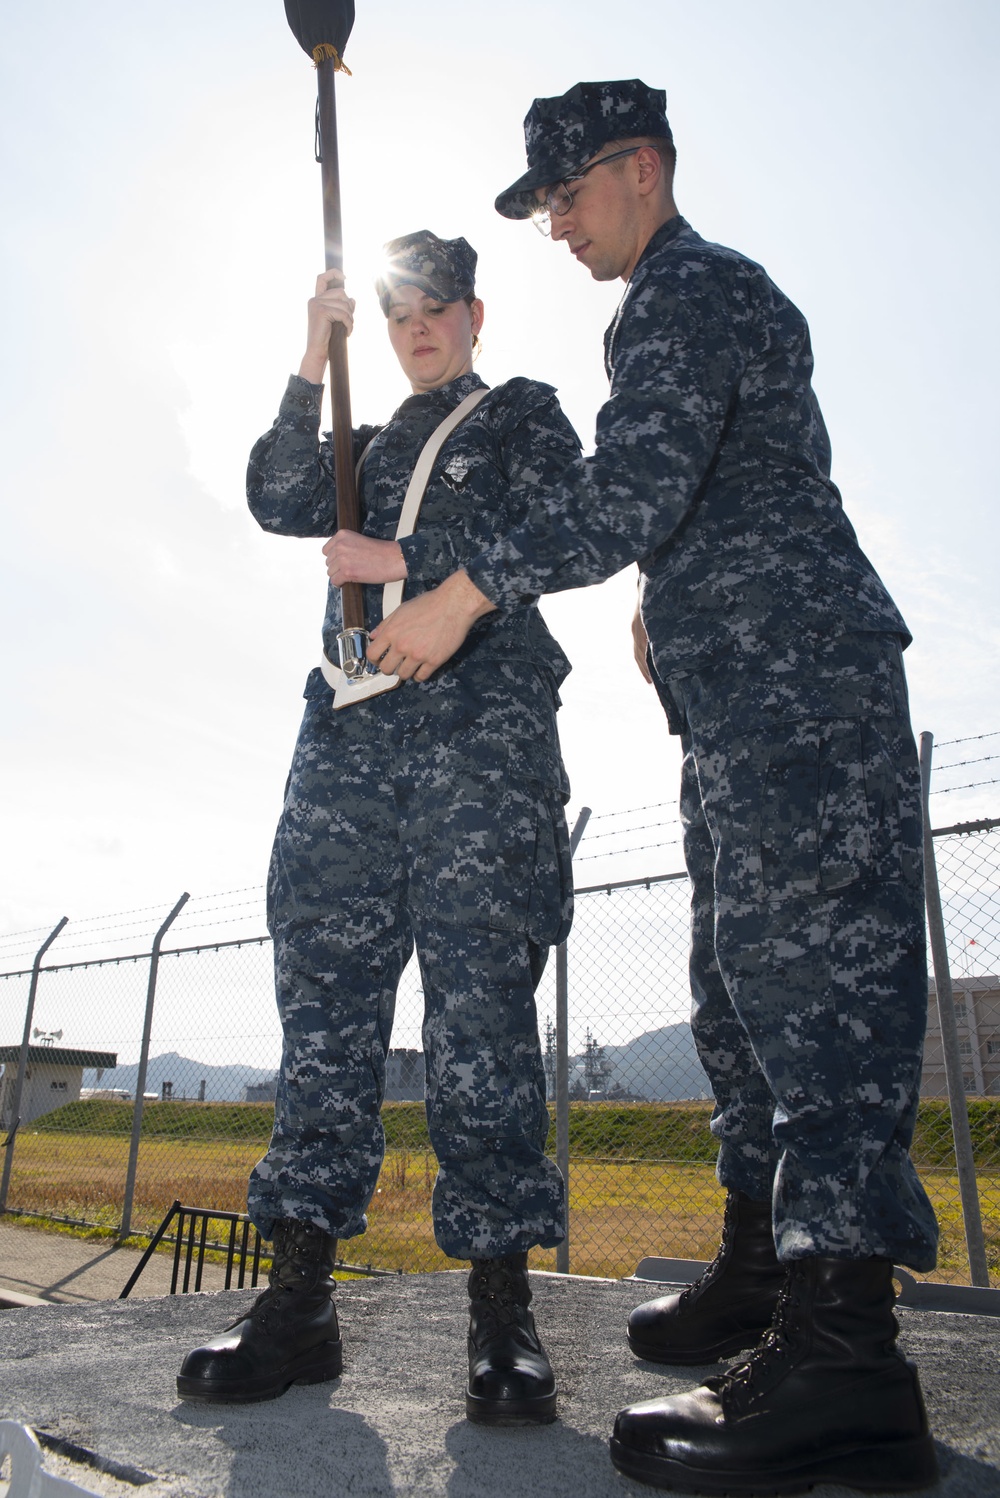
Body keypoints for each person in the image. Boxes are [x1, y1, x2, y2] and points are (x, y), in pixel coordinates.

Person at [364, 85, 940, 1493]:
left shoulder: (691, 289)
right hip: (740, 679)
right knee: (744, 990)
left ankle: (849, 1360)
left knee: (815, 998)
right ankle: (767, 1277)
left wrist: (469, 586)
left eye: (564, 195)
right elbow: (720, 487)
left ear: (638, 170)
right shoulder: (670, 302)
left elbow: (638, 478)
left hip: (796, 677)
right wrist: (665, 607)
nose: (554, 225)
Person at [176, 231, 582, 1425]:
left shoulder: (517, 417)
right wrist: (311, 360)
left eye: (438, 308)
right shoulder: (360, 436)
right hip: (350, 744)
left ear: (474, 315)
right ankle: (298, 1302)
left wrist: (406, 555)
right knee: (324, 1010)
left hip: (480, 742)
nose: (419, 328)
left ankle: (502, 1312)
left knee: (480, 1019)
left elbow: (567, 522)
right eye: (400, 312)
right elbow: (274, 493)